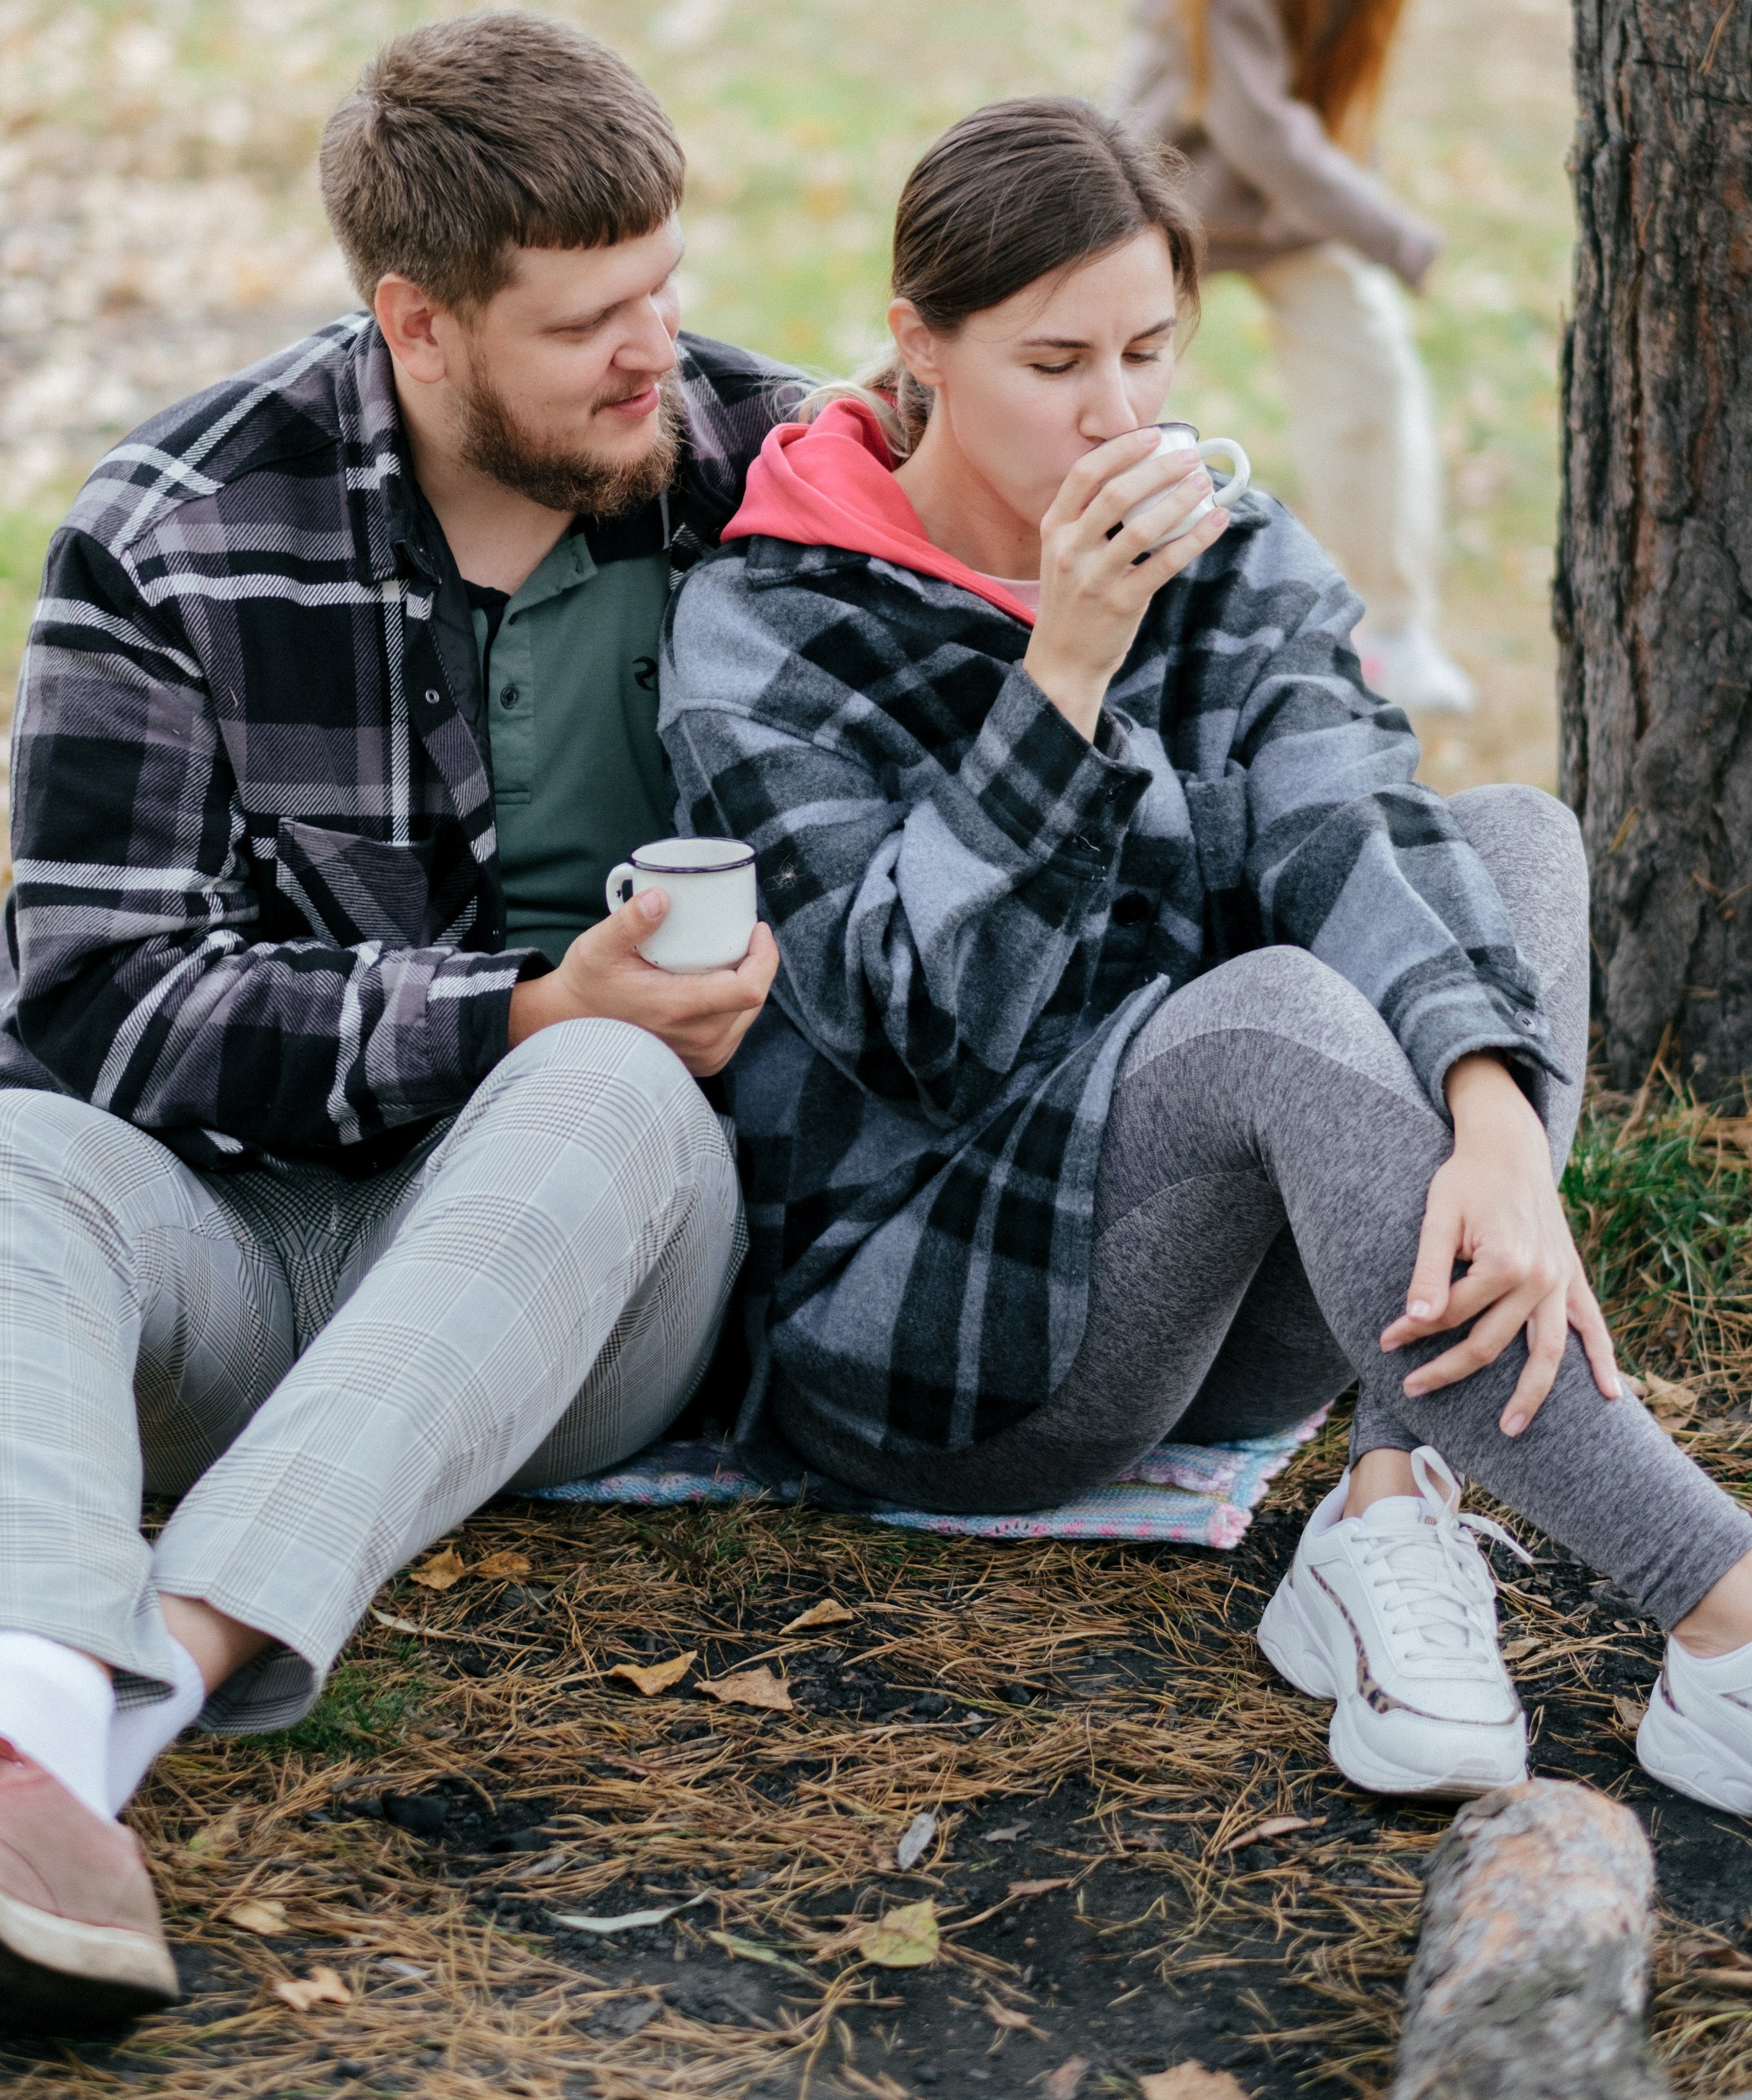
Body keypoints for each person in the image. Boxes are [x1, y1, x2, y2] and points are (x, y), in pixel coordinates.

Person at [658, 93, 1752, 1816]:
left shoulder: (1220, 543)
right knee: (1268, 1009)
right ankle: (1720, 1600)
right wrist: (1062, 672)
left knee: (1505, 838)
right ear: (917, 344)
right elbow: (909, 1027)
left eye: (1149, 348)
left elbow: (1353, 815)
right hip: (938, 1333)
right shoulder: (768, 619)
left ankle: (1389, 1500)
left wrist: (1485, 1109)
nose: (1115, 413)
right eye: (1051, 361)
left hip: (1231, 1298)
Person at [0, 12, 798, 2031]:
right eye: (589, 323)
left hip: (579, 1298)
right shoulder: (171, 533)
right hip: (229, 1253)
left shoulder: (771, 473)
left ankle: (107, 1744)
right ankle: (10, 1744)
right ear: (418, 320)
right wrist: (501, 1006)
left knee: (601, 1082)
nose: (654, 350)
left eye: (666, 288)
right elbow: (108, 994)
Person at [1110, 0, 1476, 717]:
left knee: (1371, 374)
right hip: (1162, 192)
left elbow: (1321, 108)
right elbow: (1254, 120)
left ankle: (1392, 629)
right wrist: (1393, 232)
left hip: (1279, 214)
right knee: (1089, 379)